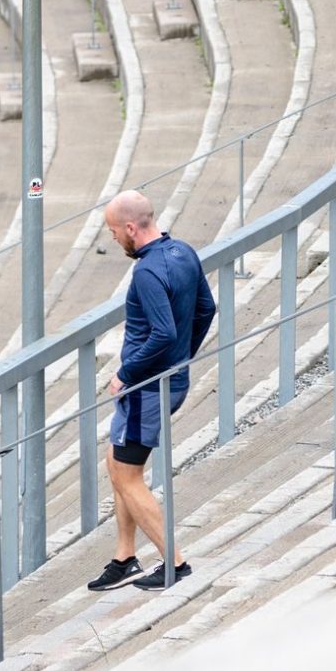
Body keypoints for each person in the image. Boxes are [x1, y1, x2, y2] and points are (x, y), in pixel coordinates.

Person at [87, 190, 215, 591]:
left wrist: (126, 373)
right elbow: (206, 310)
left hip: (146, 388)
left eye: (113, 231)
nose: (113, 239)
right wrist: (183, 359)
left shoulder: (145, 273)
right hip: (165, 380)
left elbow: (162, 332)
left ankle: (174, 562)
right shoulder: (183, 252)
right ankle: (124, 556)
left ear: (130, 228)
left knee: (128, 477)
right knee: (116, 462)